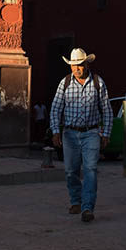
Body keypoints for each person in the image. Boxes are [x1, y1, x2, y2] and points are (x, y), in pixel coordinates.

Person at [50, 47, 113, 223]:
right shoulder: (65, 83)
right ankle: (75, 201)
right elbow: (56, 108)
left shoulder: (97, 82)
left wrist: (106, 133)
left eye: (81, 65)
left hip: (92, 132)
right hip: (69, 134)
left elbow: (106, 109)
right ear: (70, 66)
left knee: (90, 169)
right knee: (71, 171)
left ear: (87, 64)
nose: (78, 69)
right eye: (74, 65)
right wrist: (56, 131)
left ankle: (87, 208)